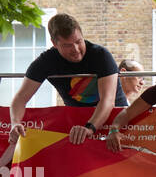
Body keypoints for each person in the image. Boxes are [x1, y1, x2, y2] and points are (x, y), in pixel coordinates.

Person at [8, 13, 126, 147]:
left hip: (115, 119)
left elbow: (107, 100)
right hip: (78, 124)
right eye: (67, 45)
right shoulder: (46, 61)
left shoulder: (101, 55)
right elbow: (20, 98)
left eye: (78, 41)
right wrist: (15, 123)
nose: (76, 49)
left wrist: (90, 127)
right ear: (54, 44)